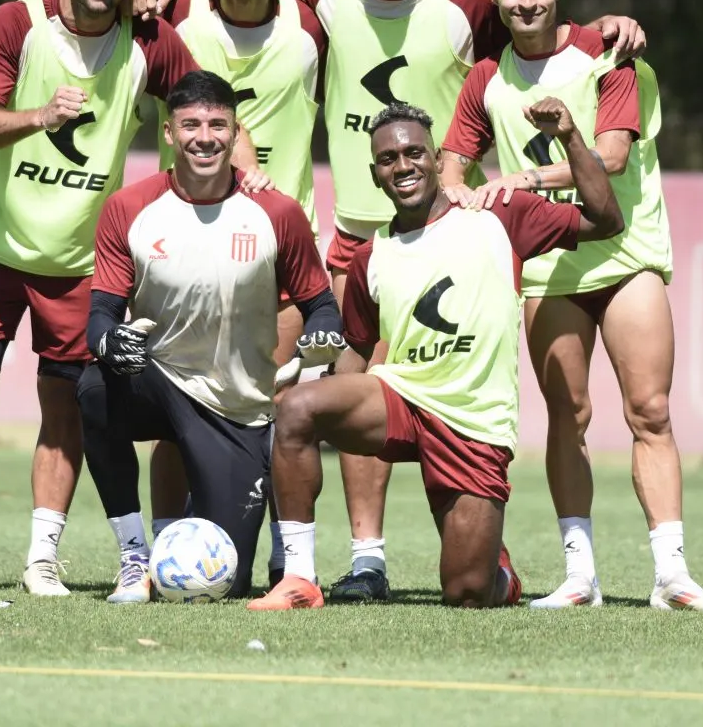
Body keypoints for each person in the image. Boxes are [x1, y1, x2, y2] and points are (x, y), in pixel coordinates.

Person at [138, 0, 646, 602]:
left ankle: (477, 538)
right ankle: (356, 561)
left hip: (448, 224)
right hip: (357, 235)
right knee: (339, 385)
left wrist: (604, 28)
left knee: (467, 583)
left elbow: (534, 12)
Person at [0, 0, 239, 597]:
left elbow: (204, 109)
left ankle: (41, 560)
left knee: (63, 407)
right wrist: (38, 115)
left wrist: (243, 175)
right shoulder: (16, 23)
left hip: (79, 264)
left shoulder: (149, 40)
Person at [441, 0, 703, 612]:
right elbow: (453, 164)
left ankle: (672, 575)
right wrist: (460, 191)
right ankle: (580, 576)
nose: (526, 0)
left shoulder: (608, 55)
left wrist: (521, 178)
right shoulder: (486, 77)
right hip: (549, 268)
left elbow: (609, 158)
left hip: (626, 255)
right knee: (567, 416)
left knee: (650, 410)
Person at [248, 97, 624, 610]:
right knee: (296, 408)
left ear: (435, 158)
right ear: (375, 174)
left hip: (473, 420)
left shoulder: (499, 215)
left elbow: (605, 219)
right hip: (402, 397)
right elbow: (357, 354)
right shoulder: (369, 256)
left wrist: (571, 136)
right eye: (388, 160)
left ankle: (499, 571)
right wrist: (315, 375)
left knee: (468, 593)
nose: (403, 166)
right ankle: (297, 578)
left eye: (414, 153)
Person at [75, 70, 344, 602]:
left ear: (235, 131)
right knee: (93, 388)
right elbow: (101, 314)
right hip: (162, 379)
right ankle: (133, 558)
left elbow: (322, 309)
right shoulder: (129, 209)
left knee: (230, 581)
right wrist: (108, 341)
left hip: (236, 409)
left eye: (218, 124)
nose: (205, 136)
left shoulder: (277, 213)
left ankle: (228, 543)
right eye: (191, 124)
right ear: (170, 134)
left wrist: (318, 346)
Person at [146, 0, 329, 584]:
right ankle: (166, 550)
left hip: (280, 244)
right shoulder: (178, 13)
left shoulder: (309, 22)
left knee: (280, 409)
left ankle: (292, 556)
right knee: (175, 406)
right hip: (189, 240)